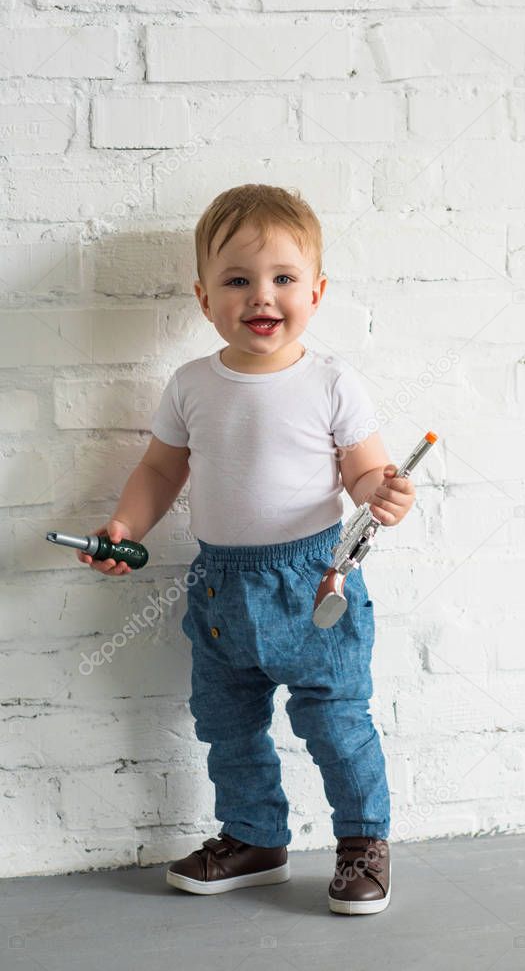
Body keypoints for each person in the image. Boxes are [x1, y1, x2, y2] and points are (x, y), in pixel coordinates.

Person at [77, 183, 416, 915]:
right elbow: (163, 468)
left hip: (314, 577)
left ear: (315, 291)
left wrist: (380, 491)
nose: (260, 296)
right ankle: (255, 836)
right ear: (204, 298)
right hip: (221, 590)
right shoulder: (192, 383)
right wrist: (126, 526)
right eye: (237, 279)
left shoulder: (330, 381)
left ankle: (363, 840)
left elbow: (362, 469)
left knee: (335, 718)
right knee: (227, 721)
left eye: (283, 279)